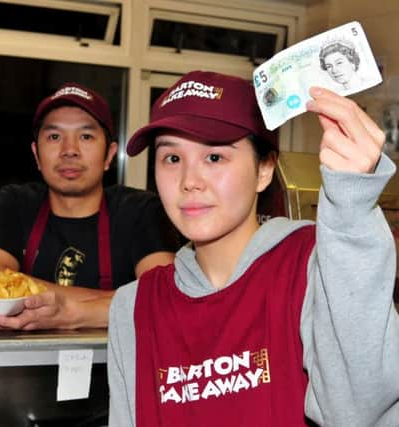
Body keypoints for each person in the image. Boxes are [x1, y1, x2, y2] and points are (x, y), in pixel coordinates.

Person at [108, 71, 399, 425]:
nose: (189, 182)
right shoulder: (134, 306)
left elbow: (358, 410)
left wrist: (351, 206)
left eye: (214, 157)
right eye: (171, 158)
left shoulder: (313, 264)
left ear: (264, 169)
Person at [0, 82, 180, 330]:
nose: (69, 150)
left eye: (86, 136)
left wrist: (63, 309)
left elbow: (162, 299)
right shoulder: (15, 203)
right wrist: (118, 301)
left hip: (116, 366)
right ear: (37, 155)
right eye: (54, 136)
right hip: (24, 364)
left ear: (109, 155)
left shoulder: (140, 209)